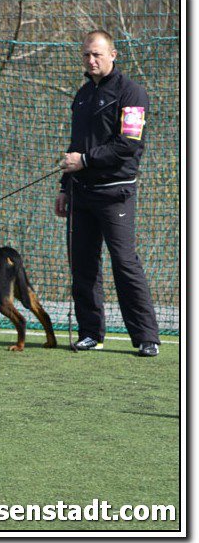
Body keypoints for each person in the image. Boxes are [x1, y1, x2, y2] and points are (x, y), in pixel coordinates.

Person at [55, 29, 160, 357]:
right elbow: (76, 147)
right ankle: (90, 333)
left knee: (124, 263)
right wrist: (64, 187)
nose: (91, 59)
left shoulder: (132, 93)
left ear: (113, 55)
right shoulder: (83, 94)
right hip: (81, 193)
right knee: (83, 265)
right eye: (86, 54)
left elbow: (129, 145)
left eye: (97, 54)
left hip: (116, 193)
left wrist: (85, 160)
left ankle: (146, 337)